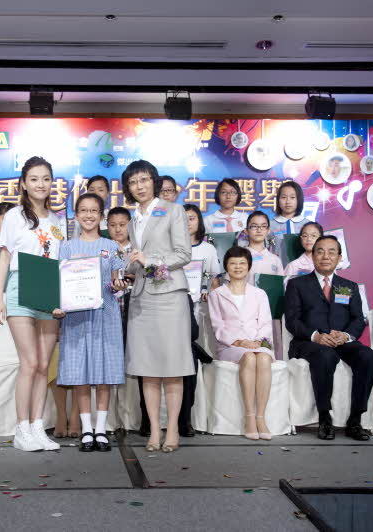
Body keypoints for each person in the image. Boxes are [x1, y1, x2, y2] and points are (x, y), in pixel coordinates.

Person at [0, 156, 67, 452]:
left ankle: (37, 427)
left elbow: (61, 261)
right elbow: (5, 257)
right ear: (24, 183)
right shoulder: (14, 216)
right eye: (34, 179)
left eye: (46, 179)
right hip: (20, 286)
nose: (40, 184)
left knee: (44, 365)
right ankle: (22, 428)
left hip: (49, 290)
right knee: (30, 362)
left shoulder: (57, 220)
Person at [123, 159, 193, 452]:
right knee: (147, 368)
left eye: (143, 180)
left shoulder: (173, 210)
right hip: (141, 298)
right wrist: (127, 268)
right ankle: (154, 430)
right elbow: (137, 260)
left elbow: (183, 254)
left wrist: (148, 261)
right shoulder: (132, 221)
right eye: (133, 182)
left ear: (154, 181)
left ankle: (172, 428)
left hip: (169, 296)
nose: (139, 186)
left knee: (173, 367)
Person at [52, 193, 127, 451]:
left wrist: (118, 285)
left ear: (101, 215)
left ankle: (101, 428)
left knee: (104, 373)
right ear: (76, 215)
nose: (88, 215)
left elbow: (117, 281)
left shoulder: (111, 246)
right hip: (76, 318)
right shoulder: (66, 247)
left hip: (105, 315)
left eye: (94, 210)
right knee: (80, 373)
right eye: (83, 210)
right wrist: (58, 305)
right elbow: (60, 283)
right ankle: (86, 429)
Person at [284, 235, 373, 441]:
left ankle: (355, 420)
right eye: (320, 251)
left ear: (339, 258)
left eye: (331, 252)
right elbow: (292, 320)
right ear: (313, 256)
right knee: (326, 356)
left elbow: (358, 319)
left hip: (341, 341)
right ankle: (325, 417)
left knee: (368, 356)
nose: (325, 256)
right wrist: (315, 336)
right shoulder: (297, 284)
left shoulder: (349, 286)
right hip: (308, 342)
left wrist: (346, 335)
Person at [209, 246, 274, 440]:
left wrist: (257, 342)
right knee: (248, 357)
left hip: (258, 343)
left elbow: (265, 323)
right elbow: (218, 326)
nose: (237, 267)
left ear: (249, 266)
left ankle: (261, 417)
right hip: (230, 346)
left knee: (264, 358)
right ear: (226, 267)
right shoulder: (217, 294)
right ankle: (249, 417)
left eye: (242, 263)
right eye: (233, 263)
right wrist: (239, 341)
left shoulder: (260, 294)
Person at [269, 182, 307, 266]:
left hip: (304, 270)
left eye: (292, 197)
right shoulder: (269, 225)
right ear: (278, 200)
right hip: (277, 269)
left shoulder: (308, 225)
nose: (288, 201)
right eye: (283, 197)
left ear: (299, 199)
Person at [243, 211, 283, 278]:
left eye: (263, 226)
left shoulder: (275, 260)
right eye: (254, 226)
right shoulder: (238, 257)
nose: (259, 230)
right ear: (246, 231)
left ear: (268, 230)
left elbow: (280, 283)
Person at [283, 222, 323, 287]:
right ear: (301, 239)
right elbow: (285, 289)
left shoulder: (328, 263)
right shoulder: (293, 266)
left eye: (313, 236)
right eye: (305, 236)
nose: (309, 239)